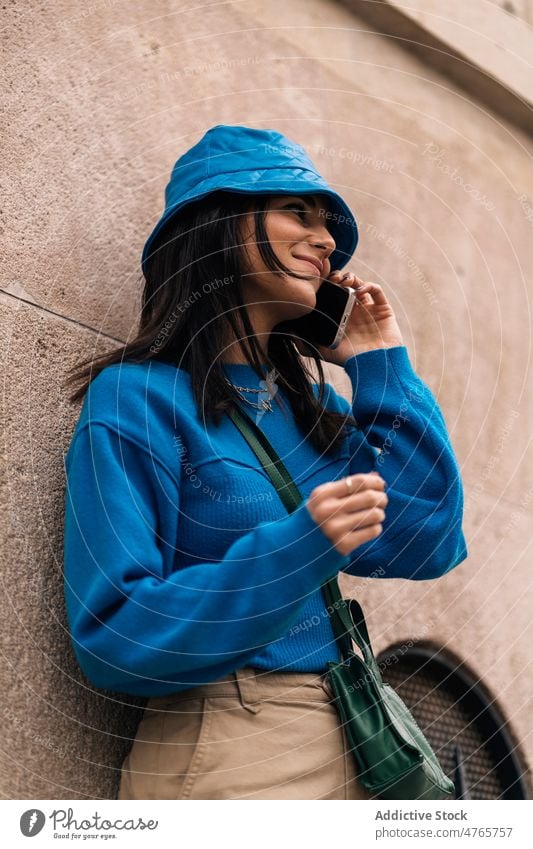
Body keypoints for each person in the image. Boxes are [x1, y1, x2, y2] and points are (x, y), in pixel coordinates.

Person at [62, 124, 468, 800]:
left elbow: (427, 539)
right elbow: (112, 632)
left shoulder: (301, 405)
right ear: (218, 225)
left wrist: (382, 367)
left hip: (351, 733)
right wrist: (299, 547)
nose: (327, 239)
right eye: (297, 212)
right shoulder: (135, 399)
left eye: (326, 222)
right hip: (236, 745)